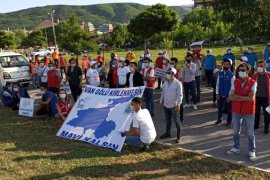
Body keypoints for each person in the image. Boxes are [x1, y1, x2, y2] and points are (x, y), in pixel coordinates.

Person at [227, 63, 257, 162]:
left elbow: (251, 98)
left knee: (250, 133)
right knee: (236, 131)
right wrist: (242, 97)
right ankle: (236, 147)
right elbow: (231, 96)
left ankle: (252, 150)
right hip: (236, 110)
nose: (241, 72)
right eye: (239, 70)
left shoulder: (253, 83)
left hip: (248, 111)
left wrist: (237, 97)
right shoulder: (235, 81)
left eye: (243, 70)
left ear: (248, 71)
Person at [159, 68, 183, 143]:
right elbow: (163, 92)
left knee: (176, 121)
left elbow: (180, 95)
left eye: (170, 73)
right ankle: (167, 133)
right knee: (168, 120)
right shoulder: (165, 82)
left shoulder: (178, 83)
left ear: (173, 74)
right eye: (168, 72)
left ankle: (179, 136)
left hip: (174, 106)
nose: (168, 74)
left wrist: (178, 105)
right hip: (166, 105)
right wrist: (161, 101)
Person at [215, 59, 235, 126]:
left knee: (229, 109)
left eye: (227, 64)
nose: (225, 65)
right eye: (224, 64)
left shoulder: (232, 75)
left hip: (228, 96)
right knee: (220, 108)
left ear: (230, 65)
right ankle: (219, 120)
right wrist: (217, 93)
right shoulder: (220, 74)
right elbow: (217, 84)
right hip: (220, 94)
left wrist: (229, 96)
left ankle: (229, 121)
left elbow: (233, 87)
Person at [253, 61, 270, 134]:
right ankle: (256, 125)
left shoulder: (269, 75)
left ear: (265, 66)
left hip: (266, 98)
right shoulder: (255, 75)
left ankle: (266, 128)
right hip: (257, 97)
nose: (259, 67)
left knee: (267, 114)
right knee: (256, 113)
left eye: (261, 66)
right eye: (258, 66)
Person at [170, 57, 184, 122]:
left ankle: (181, 117)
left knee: (180, 102)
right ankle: (170, 116)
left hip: (177, 87)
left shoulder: (179, 69)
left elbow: (179, 78)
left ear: (176, 63)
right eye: (170, 63)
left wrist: (172, 79)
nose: (171, 64)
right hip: (171, 88)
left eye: (172, 63)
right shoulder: (169, 70)